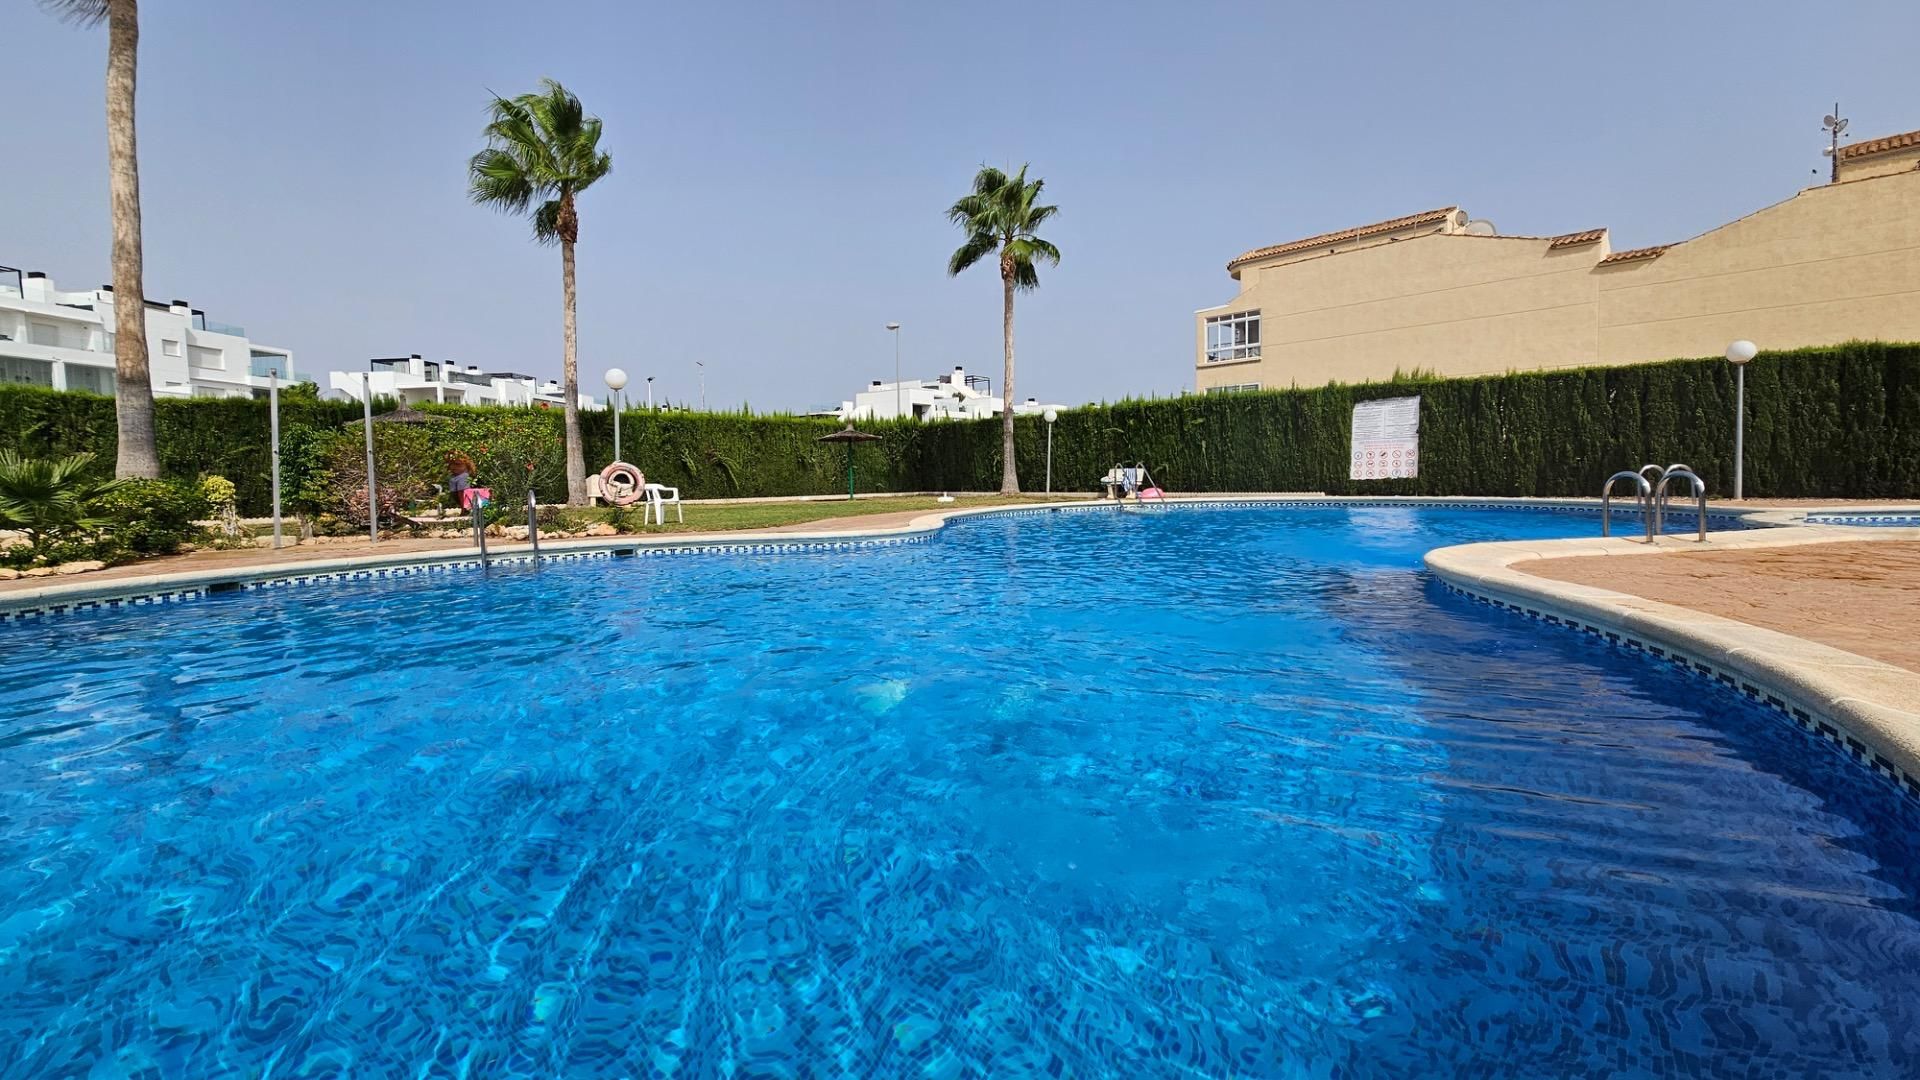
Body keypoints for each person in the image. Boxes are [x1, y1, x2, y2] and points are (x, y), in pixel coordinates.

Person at [446, 452, 475, 516]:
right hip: (455, 477)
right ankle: (465, 508)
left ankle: (465, 509)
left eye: (457, 464)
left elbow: (462, 493)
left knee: (462, 492)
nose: (454, 467)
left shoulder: (464, 475)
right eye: (452, 464)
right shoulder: (453, 476)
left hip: (462, 477)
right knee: (455, 493)